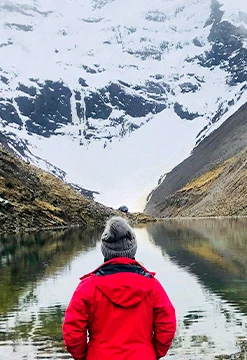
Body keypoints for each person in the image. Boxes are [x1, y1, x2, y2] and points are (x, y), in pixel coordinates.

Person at [62, 216, 176, 360]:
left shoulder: (87, 287)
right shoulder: (153, 286)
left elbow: (72, 332)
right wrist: (153, 353)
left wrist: (84, 356)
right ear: (132, 249)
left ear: (105, 250)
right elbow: (167, 326)